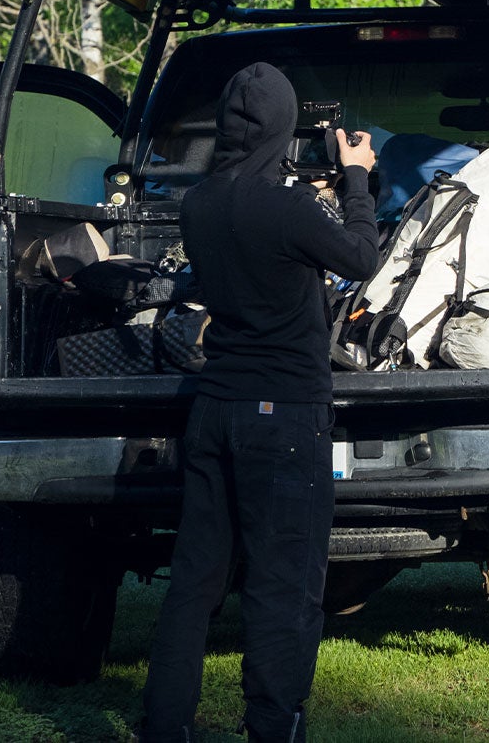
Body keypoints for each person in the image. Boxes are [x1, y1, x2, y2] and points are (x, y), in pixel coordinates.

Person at [140, 63, 379, 743]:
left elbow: (264, 223)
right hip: (286, 416)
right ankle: (274, 726)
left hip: (214, 407)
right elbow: (360, 256)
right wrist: (355, 176)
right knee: (284, 587)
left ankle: (166, 726)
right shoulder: (290, 207)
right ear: (282, 125)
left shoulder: (201, 202)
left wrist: (315, 191)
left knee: (195, 581)